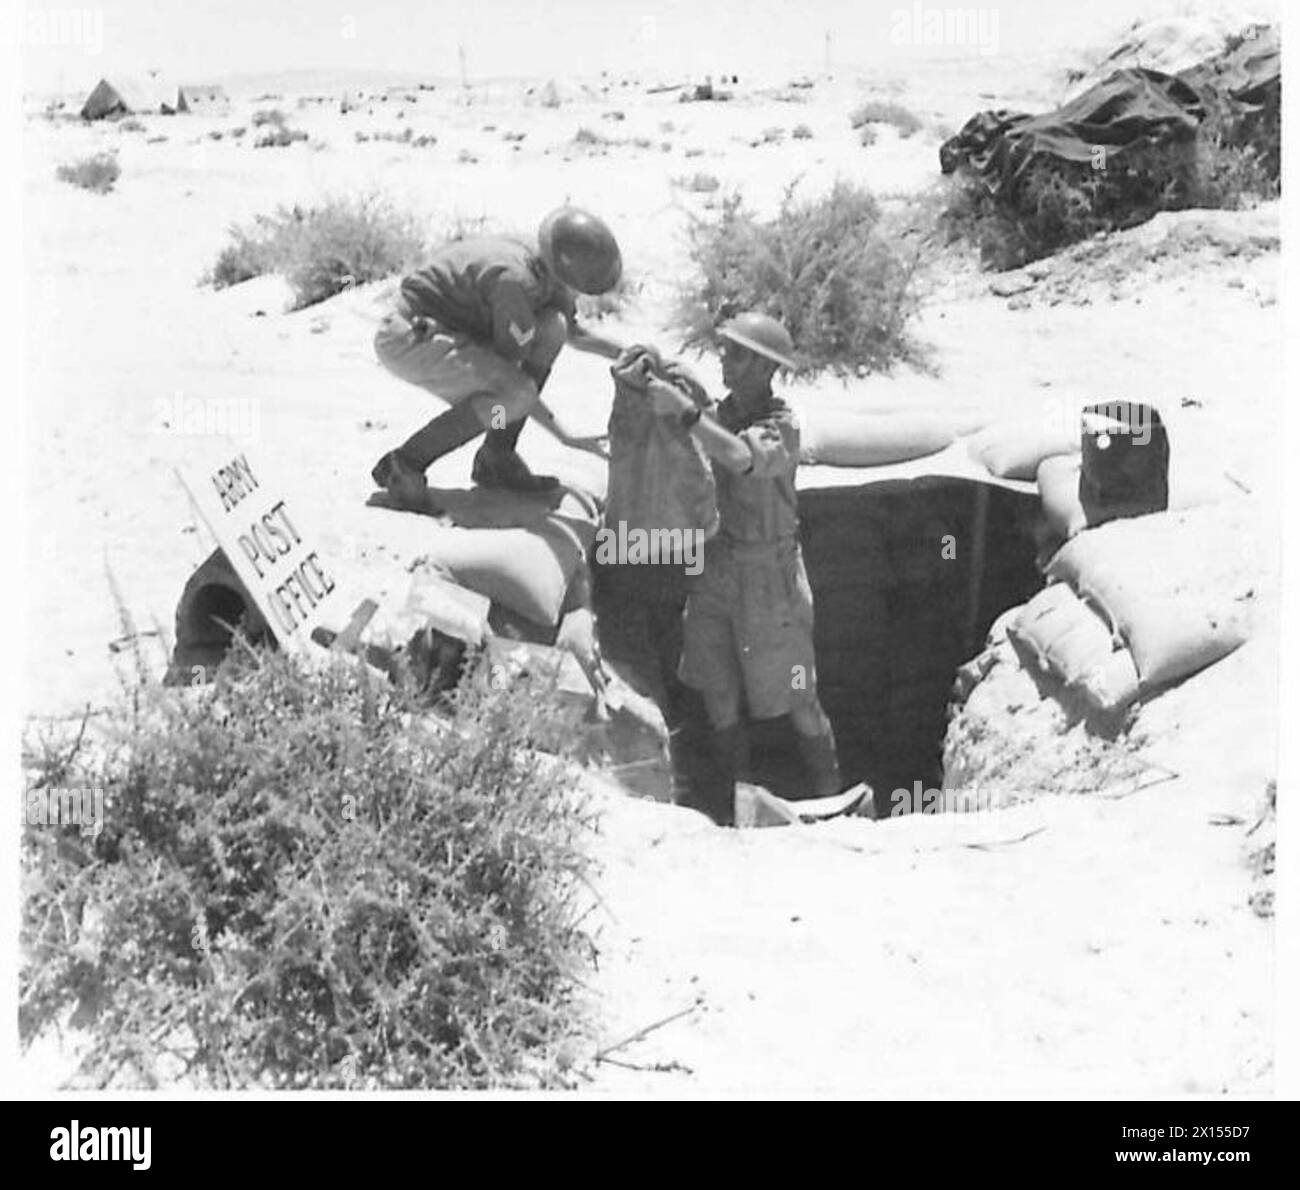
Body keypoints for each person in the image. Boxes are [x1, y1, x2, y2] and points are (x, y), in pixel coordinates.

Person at [632, 313, 842, 823]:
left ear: (767, 367)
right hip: (718, 568)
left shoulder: (782, 425)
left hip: (771, 578)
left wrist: (685, 413)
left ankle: (833, 799)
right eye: (724, 351)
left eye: (737, 354)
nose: (725, 360)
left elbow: (740, 458)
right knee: (717, 690)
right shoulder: (722, 411)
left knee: (798, 695)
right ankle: (737, 806)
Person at [370, 207, 624, 504]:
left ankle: (497, 457)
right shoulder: (516, 284)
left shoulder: (541, 265)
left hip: (449, 330)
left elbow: (572, 333)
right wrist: (565, 435)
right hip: (408, 339)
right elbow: (515, 381)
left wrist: (626, 353)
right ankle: (406, 463)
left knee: (552, 327)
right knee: (510, 400)